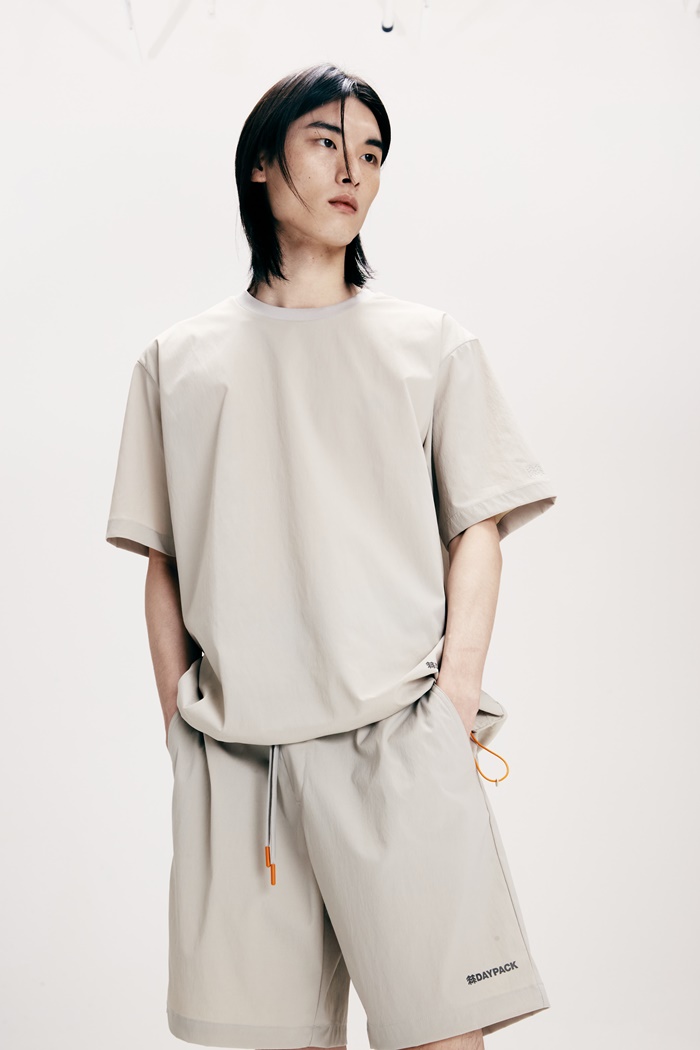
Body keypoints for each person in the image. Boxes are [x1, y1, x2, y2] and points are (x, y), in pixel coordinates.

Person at [105, 62, 558, 1050]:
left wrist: (451, 703)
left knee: (442, 1037)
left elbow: (476, 528)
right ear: (261, 164)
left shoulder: (430, 345)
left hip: (399, 745)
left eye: (373, 152)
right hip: (240, 767)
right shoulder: (176, 362)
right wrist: (181, 727)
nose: (353, 170)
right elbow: (162, 559)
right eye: (325, 142)